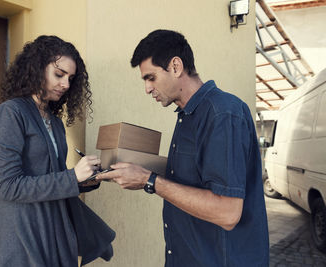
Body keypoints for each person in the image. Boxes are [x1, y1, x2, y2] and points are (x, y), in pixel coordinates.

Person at [97, 29, 269, 266]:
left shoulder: (223, 114)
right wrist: (129, 166)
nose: (147, 88)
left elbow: (228, 212)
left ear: (176, 67)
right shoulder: (187, 114)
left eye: (151, 78)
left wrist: (149, 180)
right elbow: (193, 174)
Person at [0, 35, 115, 267]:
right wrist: (72, 176)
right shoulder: (11, 113)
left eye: (71, 78)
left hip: (55, 232)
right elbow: (8, 187)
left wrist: (85, 180)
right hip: (22, 236)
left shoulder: (54, 122)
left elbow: (51, 176)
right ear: (36, 69)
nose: (65, 84)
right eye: (59, 74)